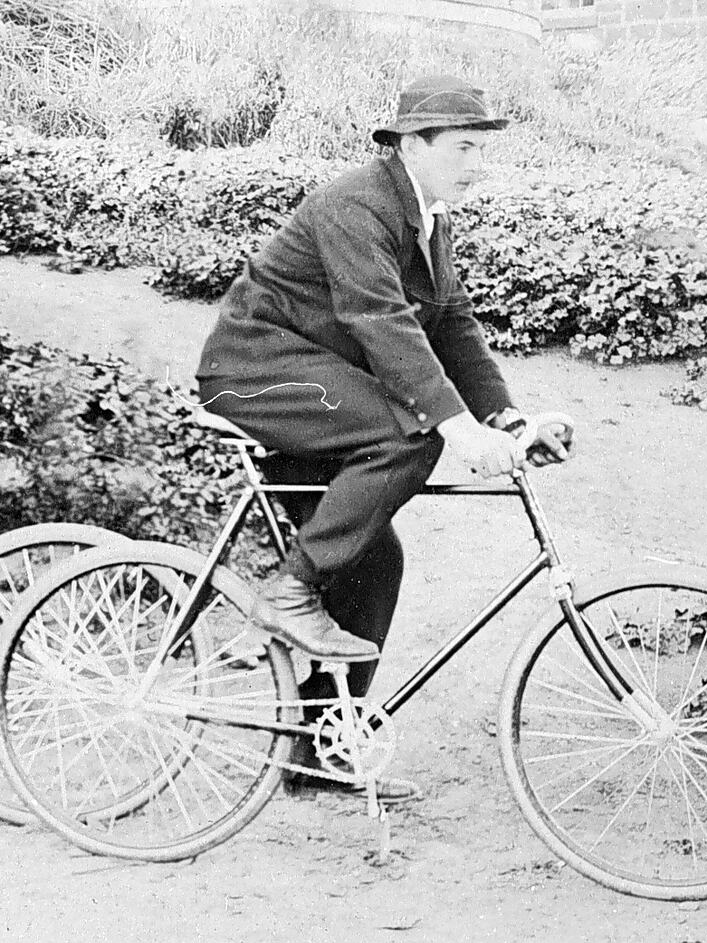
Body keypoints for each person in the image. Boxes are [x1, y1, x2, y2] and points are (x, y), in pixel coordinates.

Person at [194, 75, 573, 798]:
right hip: (252, 372)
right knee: (411, 433)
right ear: (411, 145)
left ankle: (318, 753)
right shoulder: (356, 203)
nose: (476, 166)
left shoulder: (428, 218)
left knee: (375, 559)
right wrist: (457, 430)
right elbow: (380, 321)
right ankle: (290, 592)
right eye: (463, 148)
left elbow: (452, 325)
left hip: (315, 383)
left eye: (481, 150)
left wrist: (505, 419)